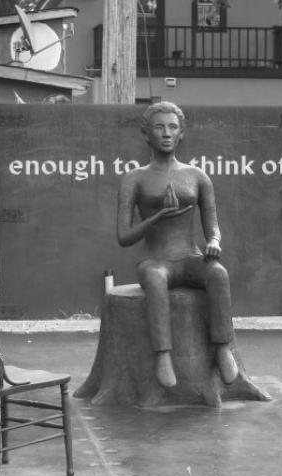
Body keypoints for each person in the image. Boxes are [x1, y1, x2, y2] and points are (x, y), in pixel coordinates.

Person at [117, 101, 238, 388]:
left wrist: (214, 243)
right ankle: (163, 355)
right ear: (146, 134)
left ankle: (222, 348)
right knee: (156, 278)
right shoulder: (134, 179)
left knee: (218, 273)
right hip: (155, 260)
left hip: (190, 258)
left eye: (173, 127)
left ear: (182, 133)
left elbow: (213, 226)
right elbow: (124, 237)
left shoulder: (197, 176)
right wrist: (157, 217)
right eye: (159, 127)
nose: (167, 133)